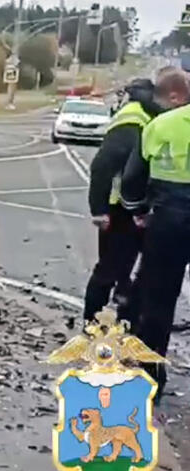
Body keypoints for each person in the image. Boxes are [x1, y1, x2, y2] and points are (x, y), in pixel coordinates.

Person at [120, 67, 190, 403]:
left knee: (158, 301)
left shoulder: (160, 125)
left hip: (169, 220)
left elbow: (133, 178)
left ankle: (150, 377)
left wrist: (137, 211)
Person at [82, 78, 157, 327]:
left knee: (126, 268)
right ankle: (91, 320)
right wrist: (99, 209)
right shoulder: (132, 121)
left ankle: (125, 315)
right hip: (120, 208)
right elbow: (103, 166)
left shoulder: (141, 117)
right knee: (110, 267)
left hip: (133, 206)